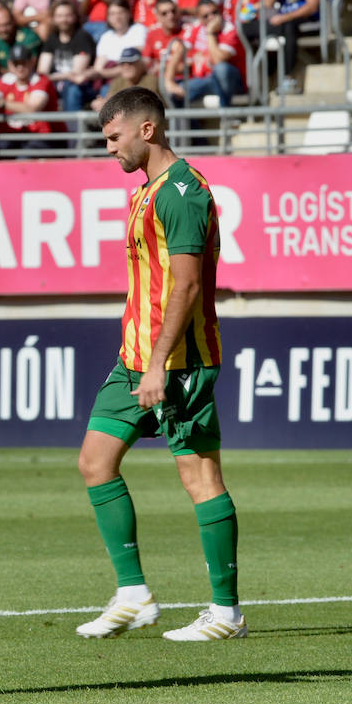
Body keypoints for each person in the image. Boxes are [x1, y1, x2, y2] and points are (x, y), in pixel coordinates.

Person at [75, 86, 243, 642]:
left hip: (177, 364)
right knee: (95, 462)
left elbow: (188, 283)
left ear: (147, 130)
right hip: (136, 359)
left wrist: (157, 365)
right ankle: (133, 594)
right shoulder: (147, 192)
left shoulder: (182, 193)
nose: (108, 149)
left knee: (199, 477)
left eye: (113, 137)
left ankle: (225, 614)